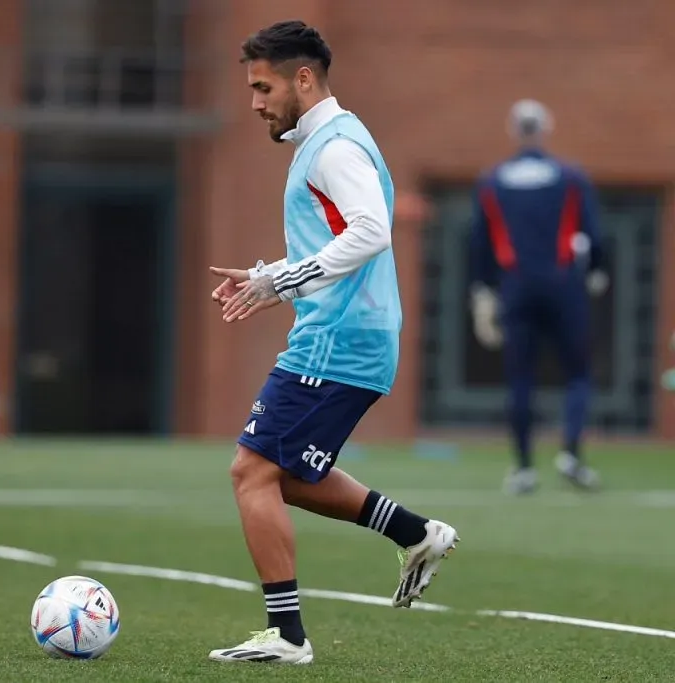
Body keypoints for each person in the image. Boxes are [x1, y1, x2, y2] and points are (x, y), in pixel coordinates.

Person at [207, 21, 459, 665]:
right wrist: (269, 277)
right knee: (285, 474)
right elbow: (341, 234)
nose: (256, 102)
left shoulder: (333, 147)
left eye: (263, 87)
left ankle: (287, 636)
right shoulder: (331, 141)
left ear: (303, 78)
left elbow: (373, 230)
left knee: (251, 470)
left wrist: (284, 281)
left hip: (338, 341)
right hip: (350, 337)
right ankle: (416, 533)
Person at [469, 99, 607, 496]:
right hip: (564, 283)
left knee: (521, 378)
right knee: (578, 373)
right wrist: (596, 270)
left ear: (514, 130)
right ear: (545, 128)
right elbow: (593, 234)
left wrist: (484, 291)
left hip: (516, 287)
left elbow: (480, 244)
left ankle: (524, 467)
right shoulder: (570, 177)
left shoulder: (492, 181)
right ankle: (572, 453)